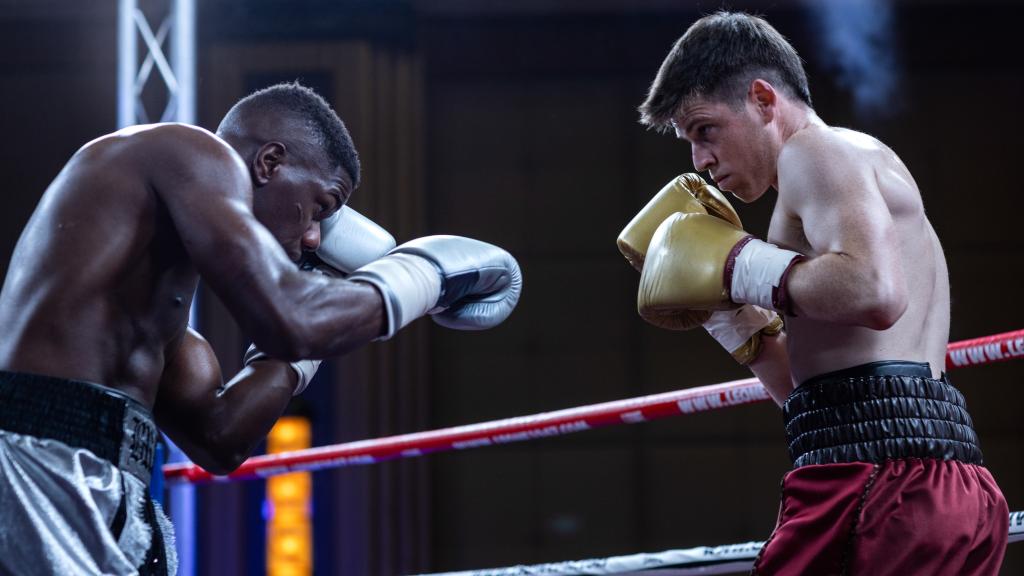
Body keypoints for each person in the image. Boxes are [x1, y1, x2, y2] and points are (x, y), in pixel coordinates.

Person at [0, 82, 522, 575]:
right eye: (320, 207)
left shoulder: (151, 308)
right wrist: (423, 275)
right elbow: (294, 321)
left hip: (94, 483)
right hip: (39, 466)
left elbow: (221, 437)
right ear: (269, 162)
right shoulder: (187, 149)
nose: (314, 237)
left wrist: (325, 299)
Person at [617, 11, 1006, 576]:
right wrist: (731, 317)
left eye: (705, 130)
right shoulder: (819, 196)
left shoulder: (817, 152)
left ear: (762, 99)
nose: (700, 161)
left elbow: (874, 292)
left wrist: (734, 265)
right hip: (916, 478)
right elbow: (813, 397)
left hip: (883, 487)